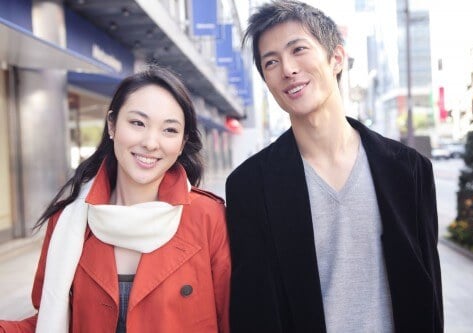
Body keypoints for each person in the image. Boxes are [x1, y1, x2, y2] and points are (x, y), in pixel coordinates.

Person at [225, 1, 443, 332]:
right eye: (271, 62)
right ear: (266, 81)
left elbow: (428, 295)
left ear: (336, 58)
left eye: (298, 49)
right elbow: (256, 311)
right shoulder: (249, 187)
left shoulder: (408, 170)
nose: (288, 69)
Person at [0, 66, 230, 333]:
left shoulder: (209, 218)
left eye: (169, 130)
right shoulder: (68, 221)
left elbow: (231, 318)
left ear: (181, 143)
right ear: (112, 125)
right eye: (137, 123)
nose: (151, 142)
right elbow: (51, 321)